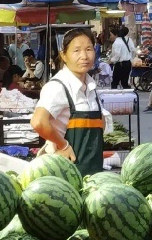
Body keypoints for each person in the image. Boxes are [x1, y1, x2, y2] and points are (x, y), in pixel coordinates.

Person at [31, 29, 104, 176]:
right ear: (63, 55)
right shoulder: (58, 86)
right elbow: (38, 122)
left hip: (93, 172)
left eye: (89, 49)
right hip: (66, 175)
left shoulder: (91, 86)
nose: (84, 56)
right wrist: (62, 145)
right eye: (76, 50)